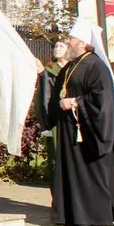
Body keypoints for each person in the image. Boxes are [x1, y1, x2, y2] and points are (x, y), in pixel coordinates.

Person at [46, 19, 114, 226]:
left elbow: (102, 100)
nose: (68, 42)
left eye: (71, 39)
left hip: (87, 131)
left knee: (91, 173)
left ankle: (93, 216)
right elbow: (57, 93)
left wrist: (75, 102)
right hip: (69, 131)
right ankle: (71, 214)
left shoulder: (95, 66)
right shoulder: (71, 66)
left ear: (82, 43)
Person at [34, 40, 70, 190]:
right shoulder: (48, 71)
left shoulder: (73, 68)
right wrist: (44, 123)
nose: (57, 48)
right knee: (56, 160)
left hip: (71, 119)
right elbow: (42, 99)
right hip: (54, 121)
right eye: (56, 46)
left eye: (61, 46)